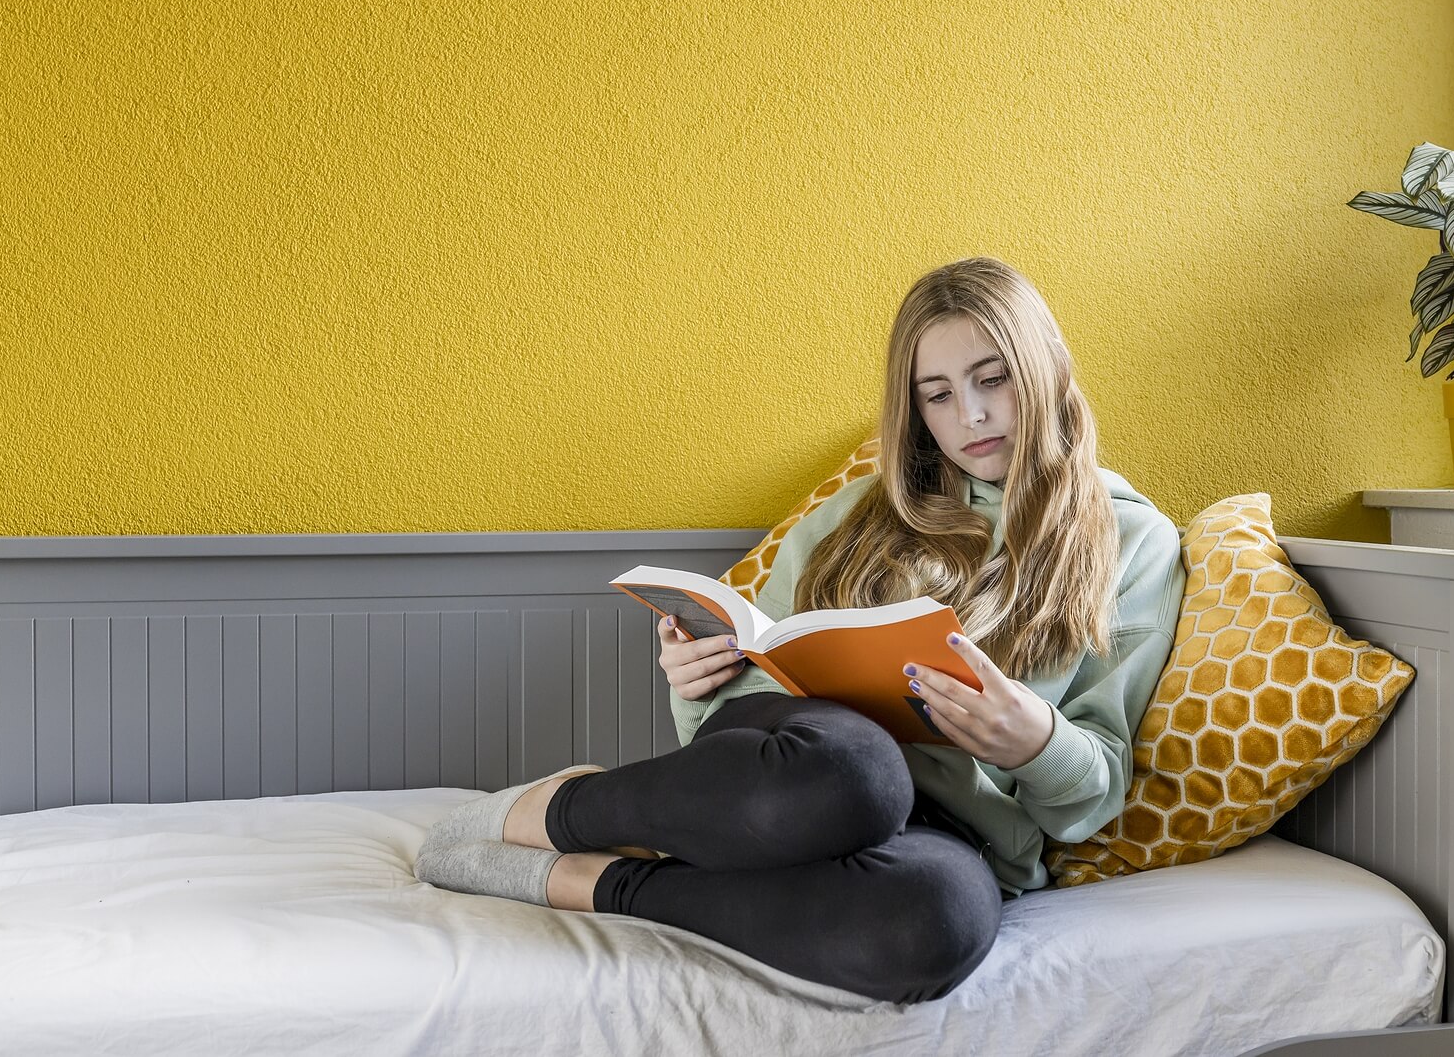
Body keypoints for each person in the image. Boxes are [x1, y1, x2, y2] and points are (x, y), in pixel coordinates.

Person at [414, 255, 1187, 1006]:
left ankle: (600, 880)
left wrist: (1034, 741)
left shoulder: (1133, 540)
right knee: (859, 775)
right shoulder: (861, 513)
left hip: (952, 830)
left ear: (1047, 365)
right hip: (818, 761)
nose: (971, 416)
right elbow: (749, 695)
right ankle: (556, 811)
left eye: (994, 379)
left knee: (938, 922)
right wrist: (700, 681)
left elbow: (1094, 789)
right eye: (938, 395)